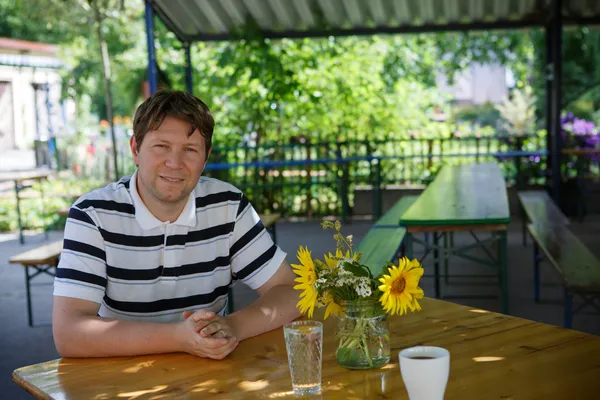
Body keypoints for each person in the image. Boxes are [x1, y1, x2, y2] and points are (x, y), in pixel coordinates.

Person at [52, 90, 301, 360]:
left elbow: (291, 291)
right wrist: (178, 338)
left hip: (210, 371)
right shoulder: (93, 215)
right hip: (120, 371)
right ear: (136, 149)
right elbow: (69, 333)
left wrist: (232, 326)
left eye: (190, 150)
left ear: (205, 158)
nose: (175, 163)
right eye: (161, 146)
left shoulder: (228, 206)